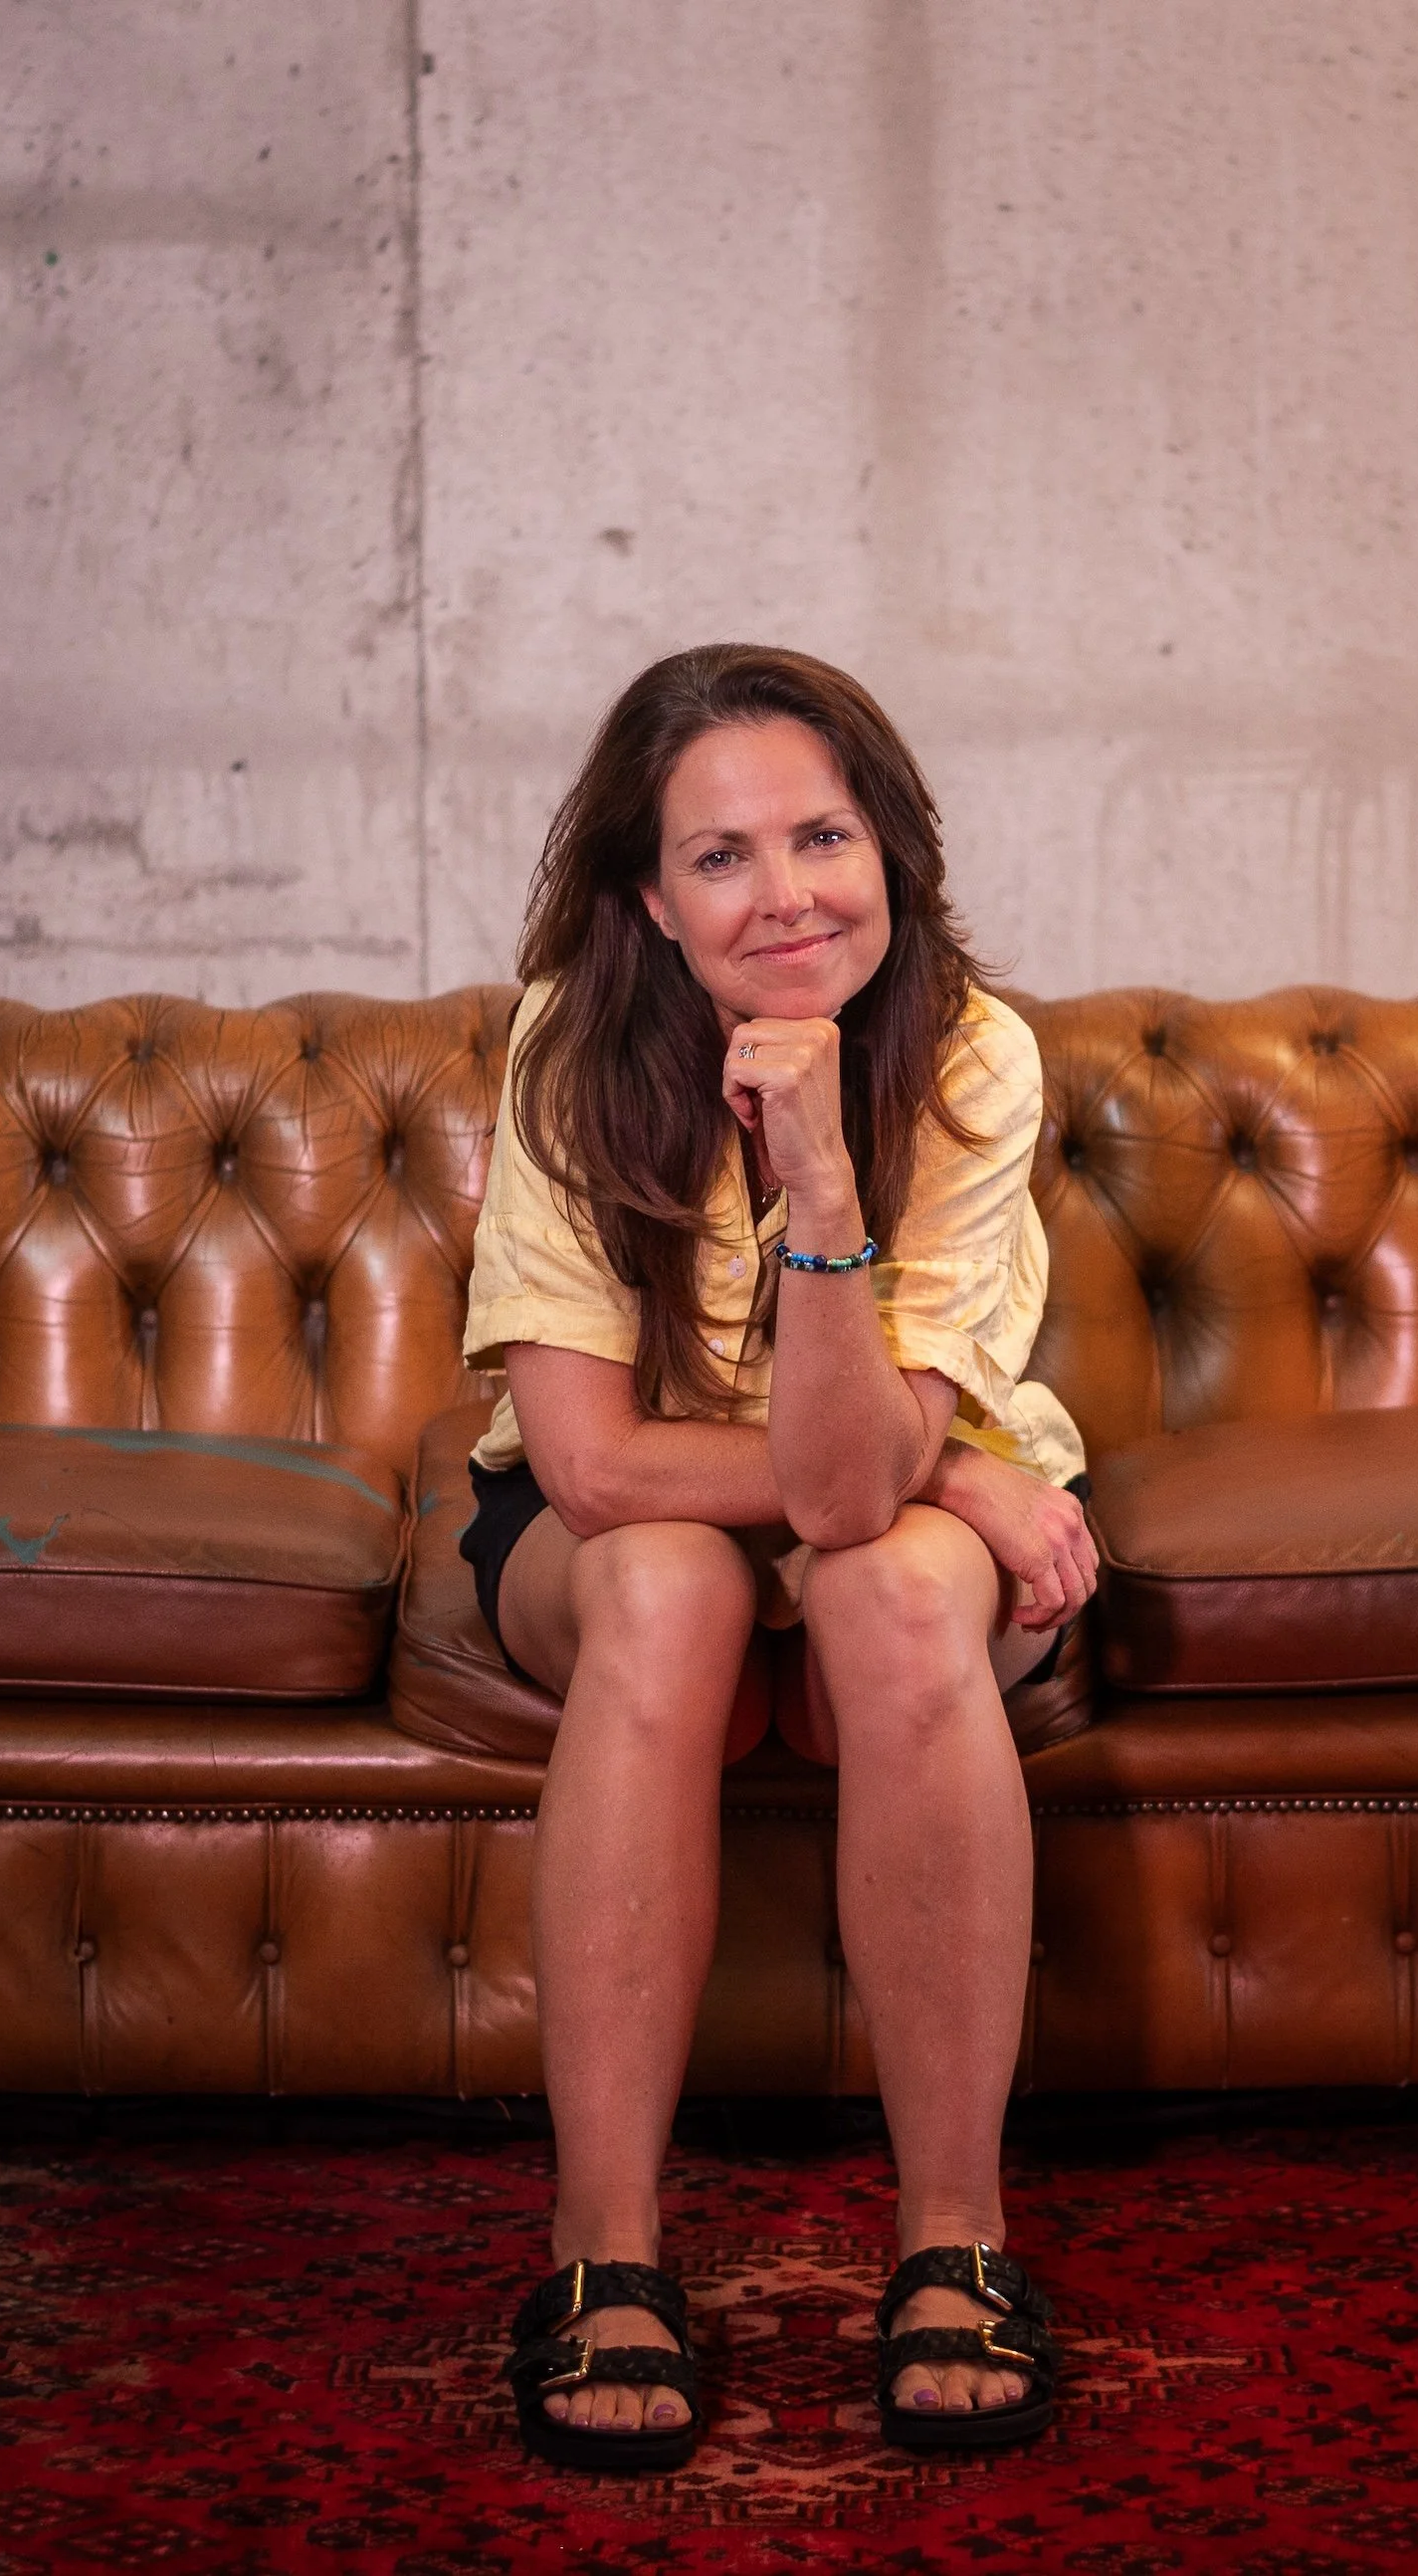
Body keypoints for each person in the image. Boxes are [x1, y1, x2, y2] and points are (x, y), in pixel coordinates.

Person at [469, 644, 1098, 2472]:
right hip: (626, 1524)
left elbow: (850, 1515)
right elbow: (589, 1471)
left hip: (871, 1518)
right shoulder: (562, 1044)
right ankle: (605, 2252)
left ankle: (954, 2241)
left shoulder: (975, 1056)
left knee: (895, 1588)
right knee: (670, 1584)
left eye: (822, 834)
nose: (788, 893)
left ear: (891, 849)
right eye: (722, 856)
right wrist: (951, 1473)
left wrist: (822, 1185)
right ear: (651, 904)